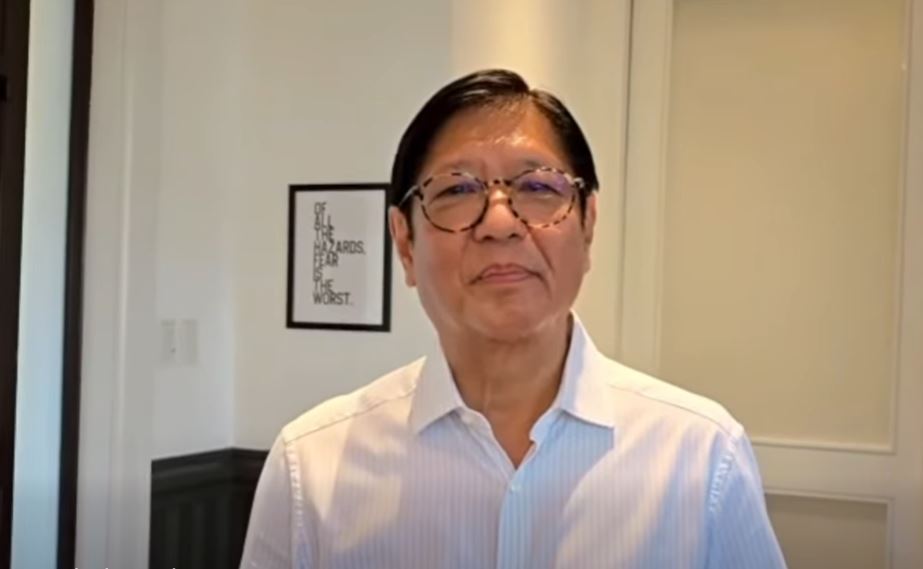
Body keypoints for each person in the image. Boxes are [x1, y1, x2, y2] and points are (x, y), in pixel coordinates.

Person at [239, 69, 787, 569]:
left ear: (588, 225)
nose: (499, 222)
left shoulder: (699, 457)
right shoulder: (312, 468)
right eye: (456, 189)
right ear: (404, 243)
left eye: (539, 187)